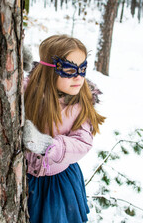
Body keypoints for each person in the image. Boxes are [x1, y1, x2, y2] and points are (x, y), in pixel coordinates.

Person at [23, 34, 105, 223]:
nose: (78, 76)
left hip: (57, 185)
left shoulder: (80, 104)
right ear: (49, 70)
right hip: (24, 178)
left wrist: (48, 146)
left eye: (82, 69)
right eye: (69, 69)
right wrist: (18, 63)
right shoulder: (30, 90)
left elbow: (82, 142)